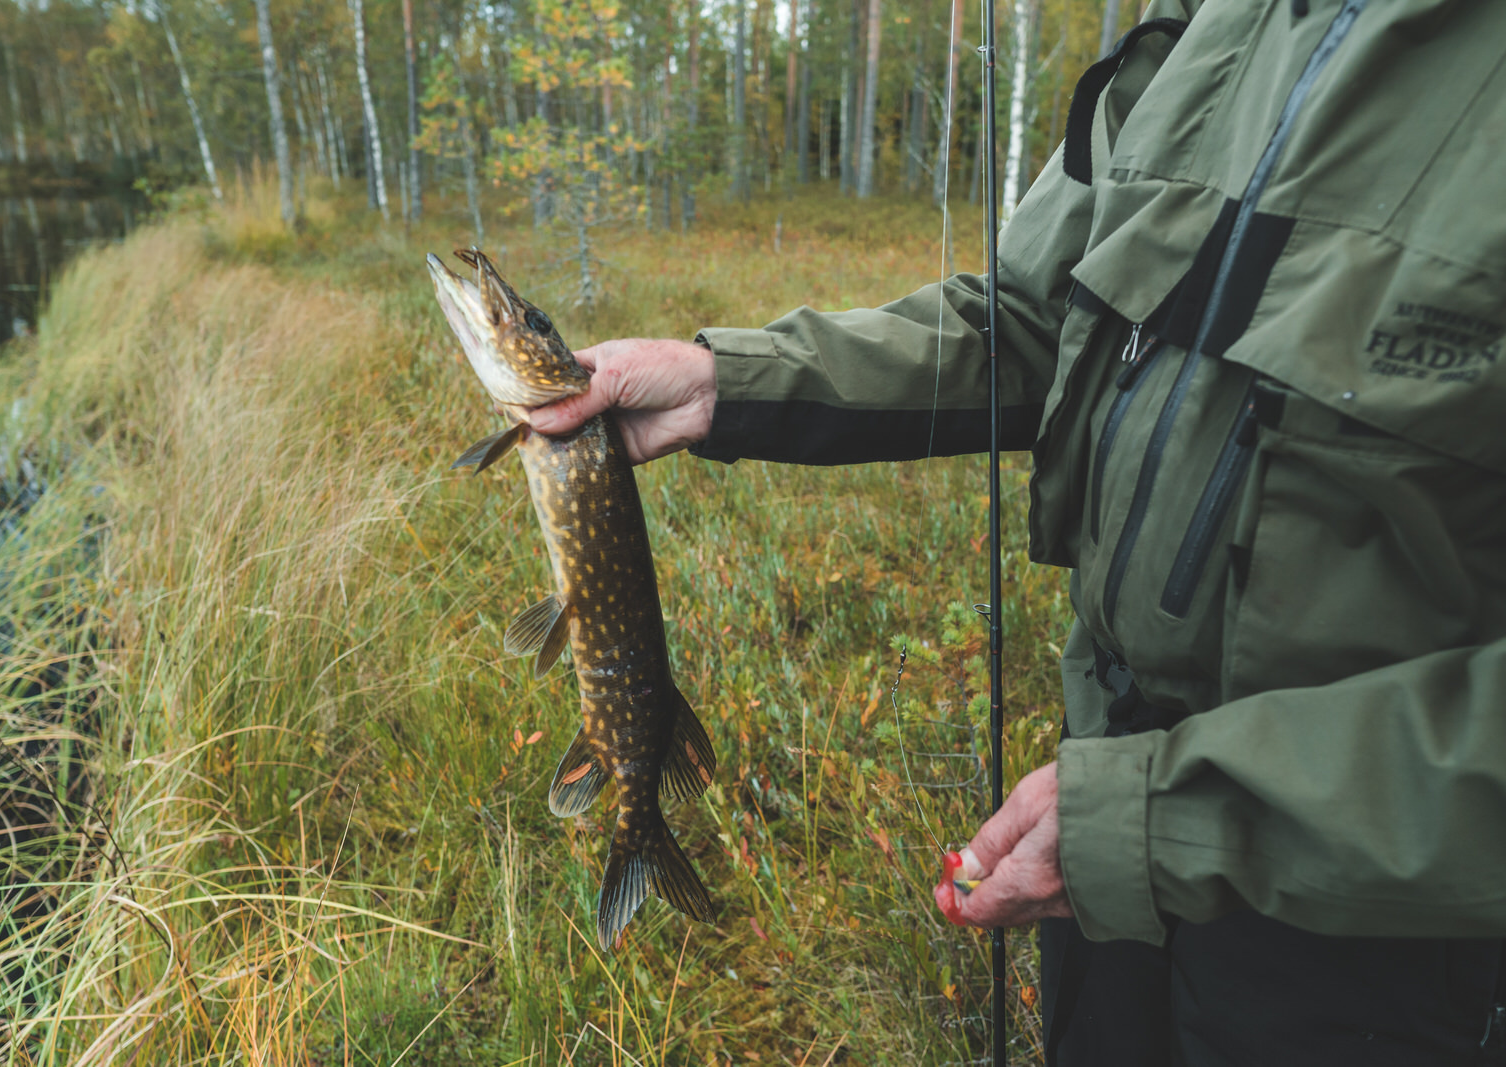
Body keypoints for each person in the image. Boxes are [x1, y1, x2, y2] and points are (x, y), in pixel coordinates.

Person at [532, 0, 1506, 1062]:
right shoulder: (1204, 38)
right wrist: (729, 380)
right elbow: (1031, 324)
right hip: (1097, 826)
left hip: (1375, 928)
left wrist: (1159, 818)